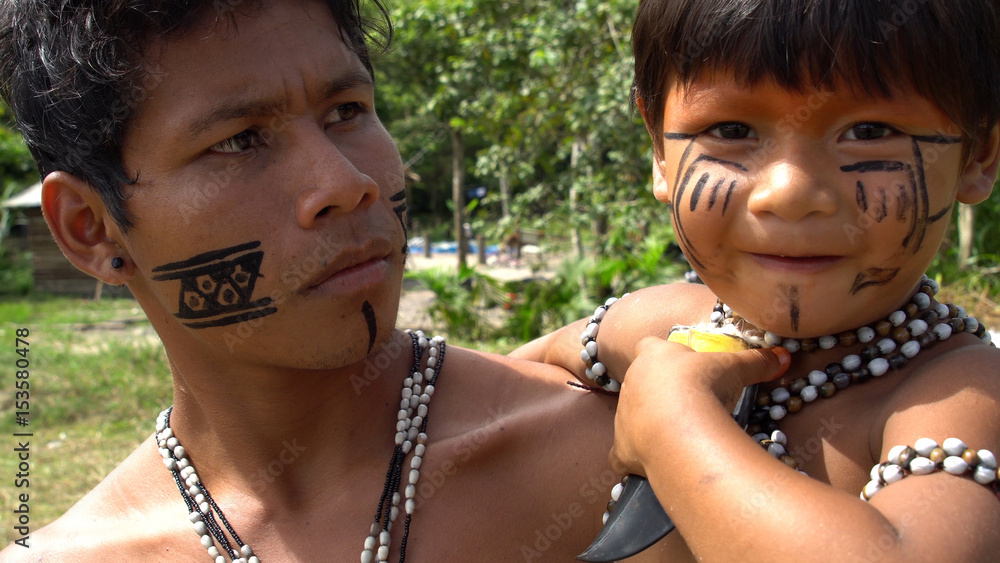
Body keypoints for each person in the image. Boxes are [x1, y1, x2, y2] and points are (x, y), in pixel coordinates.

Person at [0, 1, 646, 560]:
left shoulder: (624, 462)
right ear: (92, 228)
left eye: (346, 111)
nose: (344, 184)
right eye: (239, 140)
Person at [520, 0, 1000, 559]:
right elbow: (488, 395)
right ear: (659, 152)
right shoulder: (658, 325)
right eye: (731, 129)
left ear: (978, 156)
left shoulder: (962, 390)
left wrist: (672, 423)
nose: (789, 193)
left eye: (869, 131)